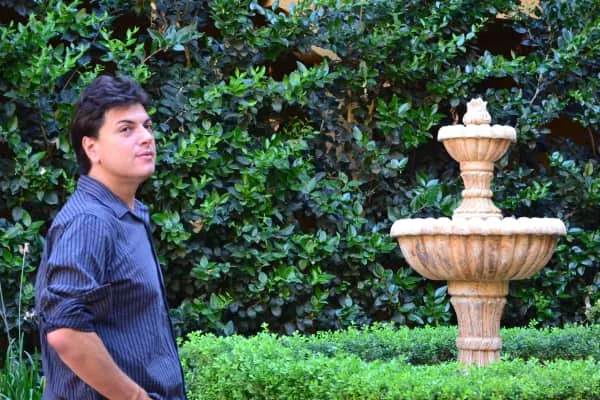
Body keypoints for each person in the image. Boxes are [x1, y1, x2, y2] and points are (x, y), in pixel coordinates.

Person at [35, 75, 187, 399]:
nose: (146, 137)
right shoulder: (90, 221)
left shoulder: (126, 214)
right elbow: (65, 331)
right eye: (126, 129)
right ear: (92, 148)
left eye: (147, 126)